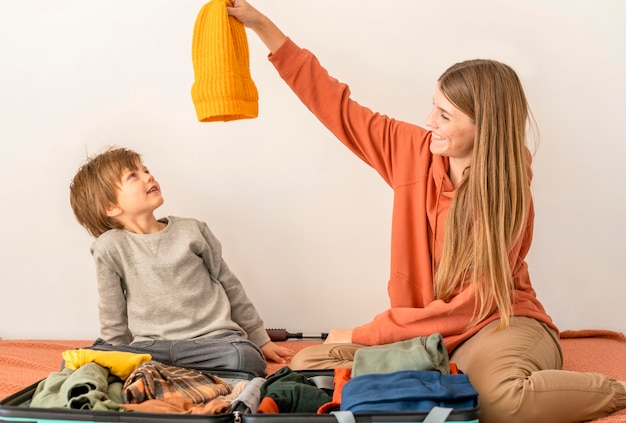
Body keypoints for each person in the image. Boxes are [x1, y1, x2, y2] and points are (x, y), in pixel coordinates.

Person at [226, 1, 626, 421]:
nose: (429, 119)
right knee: (307, 363)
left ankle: (615, 390)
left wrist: (368, 333)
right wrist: (265, 29)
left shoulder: (507, 193)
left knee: (499, 400)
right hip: (426, 335)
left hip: (494, 323)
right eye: (433, 105)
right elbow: (337, 107)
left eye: (445, 114)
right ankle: (439, 373)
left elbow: (472, 305)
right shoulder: (411, 149)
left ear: (484, 127)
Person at [69, 146, 293, 377]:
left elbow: (230, 285)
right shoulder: (108, 247)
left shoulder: (192, 230)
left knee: (245, 357)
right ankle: (170, 371)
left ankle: (169, 374)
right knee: (81, 364)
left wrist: (260, 339)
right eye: (133, 175)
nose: (149, 176)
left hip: (212, 340)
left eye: (145, 170)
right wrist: (114, 356)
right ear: (111, 207)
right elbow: (111, 310)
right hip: (154, 348)